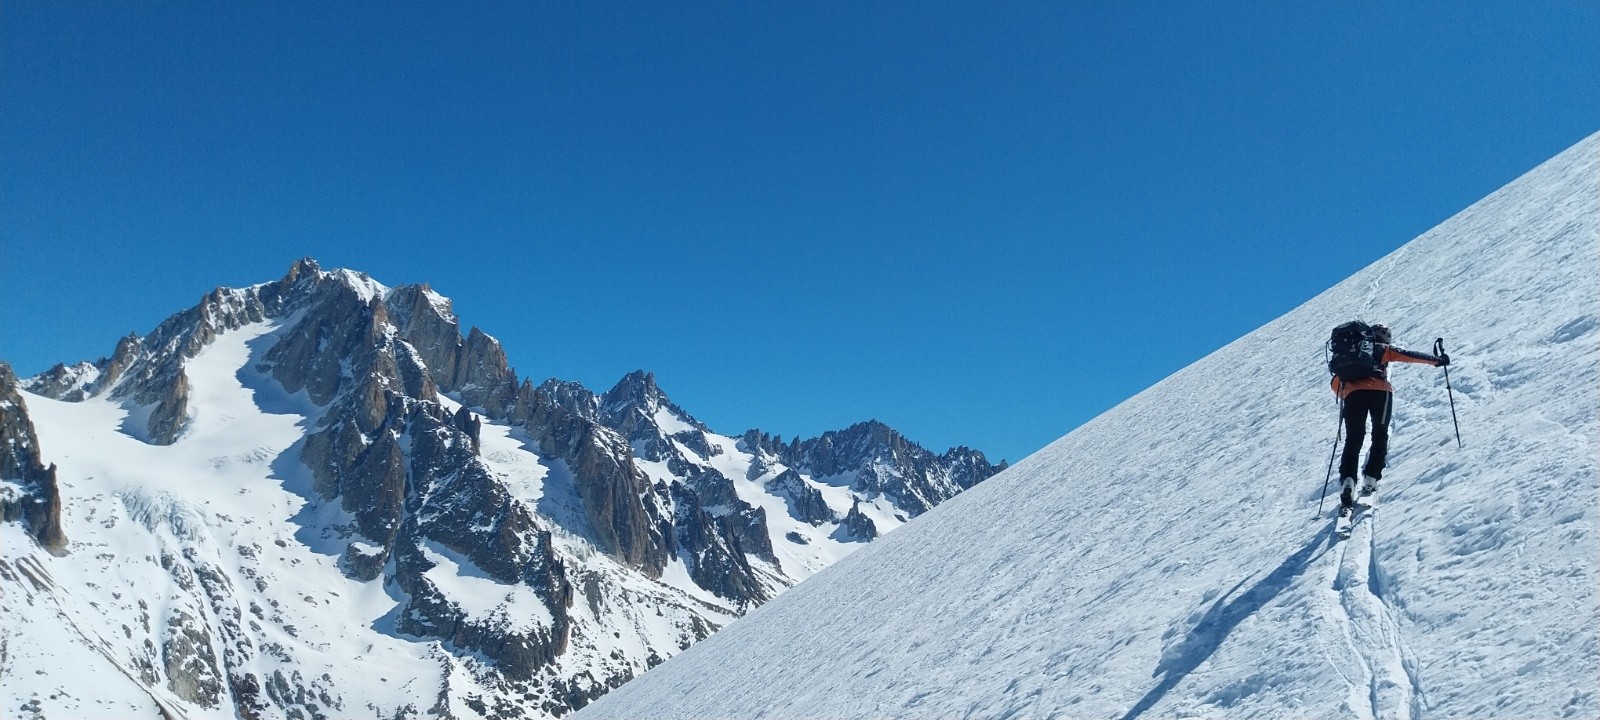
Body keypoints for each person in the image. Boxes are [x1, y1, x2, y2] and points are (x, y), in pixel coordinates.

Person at [1330, 323, 1449, 516]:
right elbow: (1410, 355)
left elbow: (1336, 383)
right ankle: (1371, 477)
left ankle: (1348, 481)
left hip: (1352, 394)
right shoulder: (1382, 350)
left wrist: (1349, 392)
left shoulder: (1348, 356)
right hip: (1380, 393)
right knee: (1380, 433)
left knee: (1353, 439)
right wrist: (1437, 361)